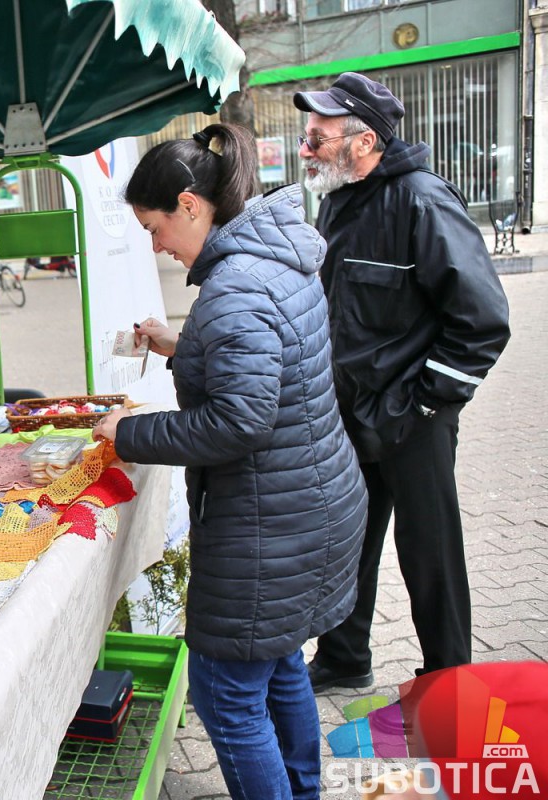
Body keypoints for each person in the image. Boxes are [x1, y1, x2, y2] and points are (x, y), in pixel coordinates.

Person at [92, 123, 367, 800]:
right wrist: (181, 344)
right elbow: (268, 361)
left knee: (224, 692)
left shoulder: (233, 289)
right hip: (311, 500)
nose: (155, 245)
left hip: (270, 525)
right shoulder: (269, 257)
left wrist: (128, 433)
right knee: (278, 667)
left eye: (155, 227)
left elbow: (239, 421)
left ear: (189, 206)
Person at [293, 73, 511, 691]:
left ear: (364, 142)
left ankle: (449, 680)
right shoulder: (340, 199)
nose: (305, 150)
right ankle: (344, 659)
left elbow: (483, 322)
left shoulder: (423, 202)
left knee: (430, 553)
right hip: (350, 411)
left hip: (414, 419)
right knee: (347, 542)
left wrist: (423, 406)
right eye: (307, 137)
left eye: (317, 139)